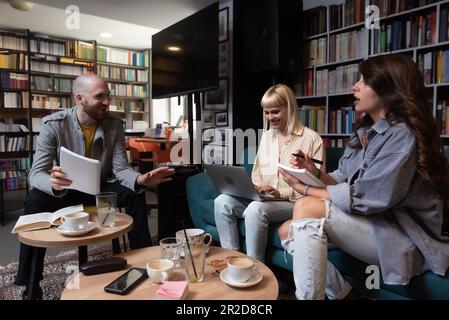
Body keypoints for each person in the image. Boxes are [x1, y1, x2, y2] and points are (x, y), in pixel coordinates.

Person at [278, 54, 449, 300]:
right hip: (371, 222)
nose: (355, 86)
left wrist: (305, 190)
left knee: (306, 207)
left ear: (387, 88)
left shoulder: (402, 135)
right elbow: (342, 177)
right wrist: (313, 172)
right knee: (287, 231)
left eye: (364, 81)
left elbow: (366, 198)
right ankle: (344, 295)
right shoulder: (366, 131)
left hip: (401, 235)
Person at [15, 74, 175, 298]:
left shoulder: (114, 125)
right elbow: (36, 174)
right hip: (66, 190)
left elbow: (121, 168)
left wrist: (141, 180)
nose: (107, 102)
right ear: (80, 98)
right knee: (34, 200)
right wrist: (52, 183)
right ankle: (30, 284)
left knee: (133, 193)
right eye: (100, 97)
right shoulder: (53, 125)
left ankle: (144, 264)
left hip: (101, 190)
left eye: (107, 96)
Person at [214, 84, 324, 262]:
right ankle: (232, 261)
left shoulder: (311, 139)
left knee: (255, 210)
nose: (270, 117)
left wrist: (279, 192)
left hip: (294, 202)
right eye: (266, 112)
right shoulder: (267, 136)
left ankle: (254, 267)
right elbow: (257, 173)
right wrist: (257, 188)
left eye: (275, 112)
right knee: (222, 201)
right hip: (266, 198)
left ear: (289, 107)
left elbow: (318, 186)